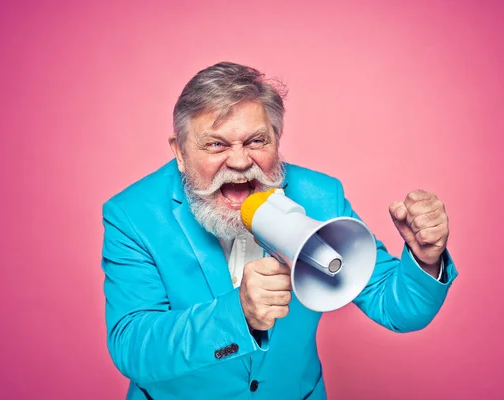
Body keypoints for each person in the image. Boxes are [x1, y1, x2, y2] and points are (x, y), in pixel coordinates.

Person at [101, 61, 458, 400]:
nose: (240, 162)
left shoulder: (321, 197)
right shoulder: (133, 214)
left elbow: (396, 308)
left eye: (256, 141)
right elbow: (133, 347)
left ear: (277, 138)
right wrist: (238, 314)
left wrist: (425, 260)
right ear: (179, 152)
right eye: (216, 144)